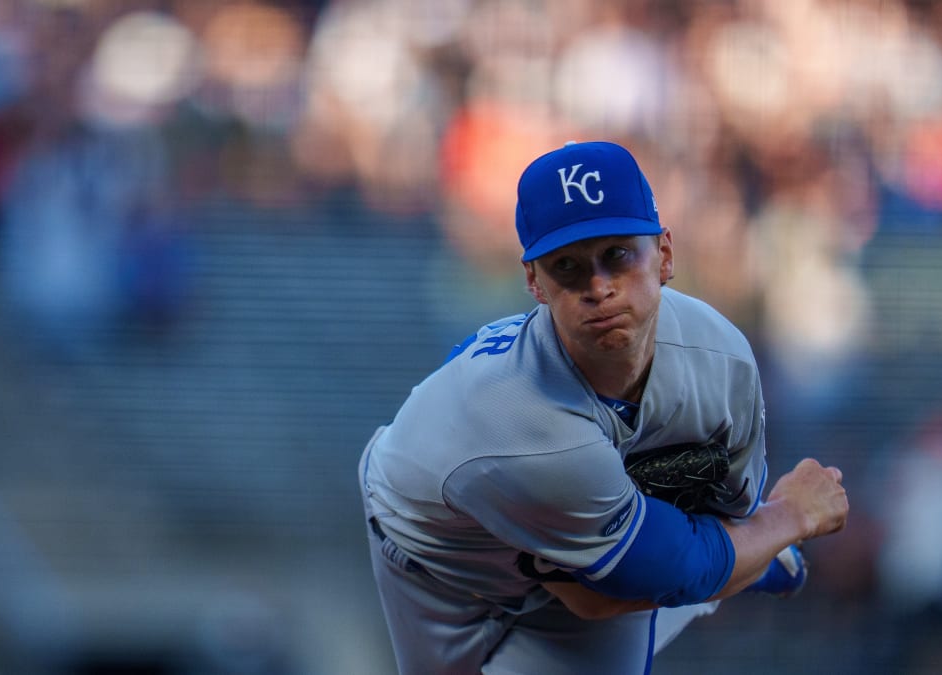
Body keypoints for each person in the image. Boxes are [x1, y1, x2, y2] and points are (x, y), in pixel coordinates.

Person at [358, 140, 849, 674]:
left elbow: (724, 519)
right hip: (441, 552)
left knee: (625, 580)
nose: (598, 287)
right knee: (613, 587)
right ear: (534, 282)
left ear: (664, 254)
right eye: (567, 266)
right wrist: (790, 518)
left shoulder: (722, 359)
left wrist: (743, 537)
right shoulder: (526, 421)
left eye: (617, 255)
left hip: (572, 508)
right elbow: (625, 587)